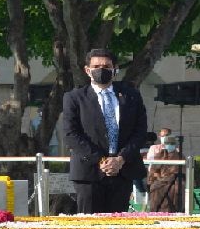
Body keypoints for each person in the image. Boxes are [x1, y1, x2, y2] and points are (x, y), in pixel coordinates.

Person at [62, 48, 147, 213]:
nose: (101, 70)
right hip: (89, 173)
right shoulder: (74, 98)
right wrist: (101, 161)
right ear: (87, 70)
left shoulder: (131, 96)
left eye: (107, 66)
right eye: (96, 66)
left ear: (115, 69)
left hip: (123, 171)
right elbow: (70, 134)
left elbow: (140, 131)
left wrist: (120, 160)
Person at [147, 136, 182, 212]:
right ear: (164, 145)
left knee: (174, 189)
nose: (169, 145)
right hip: (160, 180)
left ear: (175, 145)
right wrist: (157, 176)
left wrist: (169, 178)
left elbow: (181, 172)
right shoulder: (159, 156)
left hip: (173, 180)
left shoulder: (180, 156)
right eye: (167, 143)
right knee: (154, 187)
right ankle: (156, 211)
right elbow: (153, 170)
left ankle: (171, 211)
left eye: (171, 143)